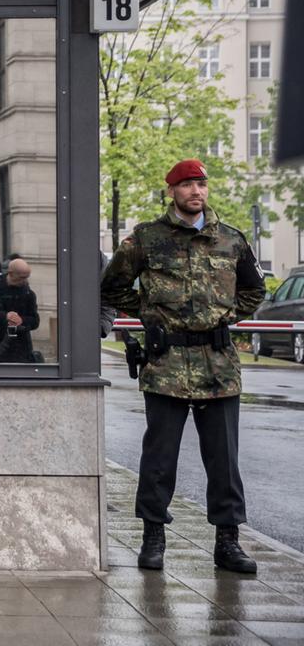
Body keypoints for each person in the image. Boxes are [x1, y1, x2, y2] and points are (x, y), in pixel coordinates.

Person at [101, 159, 265, 574]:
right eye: (188, 184)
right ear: (171, 190)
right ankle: (153, 538)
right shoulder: (145, 239)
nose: (197, 191)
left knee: (224, 460)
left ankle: (228, 543)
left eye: (201, 184)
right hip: (166, 363)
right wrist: (149, 313)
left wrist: (226, 316)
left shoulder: (230, 240)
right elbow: (113, 285)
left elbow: (254, 288)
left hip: (218, 366)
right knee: (159, 458)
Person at [0, 257, 39, 363]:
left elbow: (35, 321)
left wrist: (21, 320)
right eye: (21, 277)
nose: (24, 281)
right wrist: (4, 316)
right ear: (10, 273)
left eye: (26, 277)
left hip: (20, 348)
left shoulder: (29, 294)